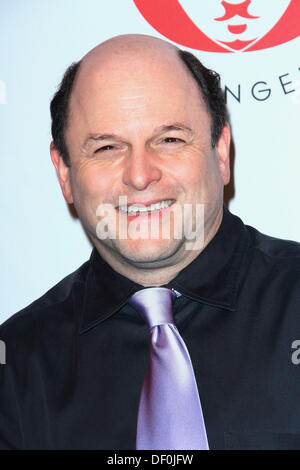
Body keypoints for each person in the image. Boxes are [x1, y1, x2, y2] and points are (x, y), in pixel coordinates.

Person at [0, 34, 300, 450]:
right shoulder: (16, 367)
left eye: (170, 139)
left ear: (221, 151)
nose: (140, 175)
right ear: (65, 174)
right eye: (107, 147)